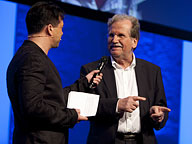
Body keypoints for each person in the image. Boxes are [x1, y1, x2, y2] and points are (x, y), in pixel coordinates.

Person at [6, 2, 102, 144]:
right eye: (61, 28)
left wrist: (83, 84)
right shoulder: (33, 59)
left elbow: (50, 98)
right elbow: (33, 108)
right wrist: (71, 115)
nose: (62, 33)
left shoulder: (28, 55)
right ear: (50, 29)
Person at [80, 14, 171, 144]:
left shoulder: (152, 71)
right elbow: (86, 107)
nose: (114, 40)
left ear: (135, 41)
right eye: (111, 35)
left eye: (121, 35)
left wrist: (158, 116)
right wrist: (117, 105)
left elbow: (161, 106)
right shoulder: (91, 70)